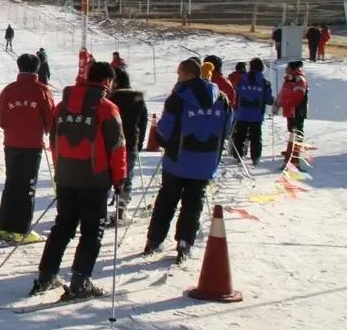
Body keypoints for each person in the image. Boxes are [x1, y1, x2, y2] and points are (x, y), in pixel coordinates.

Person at [30, 62, 126, 299]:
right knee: (92, 231)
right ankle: (80, 281)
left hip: (67, 176)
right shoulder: (107, 108)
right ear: (107, 81)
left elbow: (54, 141)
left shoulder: (62, 106)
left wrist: (61, 169)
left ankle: (46, 275)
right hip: (95, 179)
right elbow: (117, 147)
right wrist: (119, 178)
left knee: (63, 227)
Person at [145, 59, 232, 262]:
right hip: (206, 162)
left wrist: (160, 138)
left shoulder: (177, 99)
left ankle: (154, 240)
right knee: (193, 204)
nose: (178, 78)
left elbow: (165, 129)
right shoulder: (223, 99)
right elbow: (227, 129)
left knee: (166, 201)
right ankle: (185, 243)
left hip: (177, 161)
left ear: (190, 76)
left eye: (180, 74)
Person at [0, 54, 55, 244]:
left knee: (11, 184)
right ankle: (22, 230)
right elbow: (50, 119)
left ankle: (5, 227)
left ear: (19, 67)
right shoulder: (42, 91)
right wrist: (41, 129)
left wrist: (12, 128)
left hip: (11, 144)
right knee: (27, 187)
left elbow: (0, 117)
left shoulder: (9, 90)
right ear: (37, 68)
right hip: (32, 146)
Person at [107, 68, 148, 224]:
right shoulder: (137, 99)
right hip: (130, 144)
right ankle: (121, 212)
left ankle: (100, 211)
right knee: (126, 178)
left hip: (109, 143)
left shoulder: (110, 98)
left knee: (105, 177)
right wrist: (140, 144)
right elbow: (143, 124)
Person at [232, 57, 272, 165]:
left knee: (240, 135)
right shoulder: (265, 83)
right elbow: (268, 100)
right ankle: (255, 157)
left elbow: (236, 93)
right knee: (256, 136)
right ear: (261, 69)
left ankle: (237, 154)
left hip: (241, 114)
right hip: (257, 115)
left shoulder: (241, 80)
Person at [274, 60, 309, 167]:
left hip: (297, 112)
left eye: (287, 67)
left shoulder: (299, 79)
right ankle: (291, 157)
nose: (285, 69)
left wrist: (289, 104)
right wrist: (277, 105)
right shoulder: (289, 79)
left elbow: (299, 94)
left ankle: (292, 159)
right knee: (294, 134)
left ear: (292, 68)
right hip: (291, 112)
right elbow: (283, 93)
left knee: (296, 134)